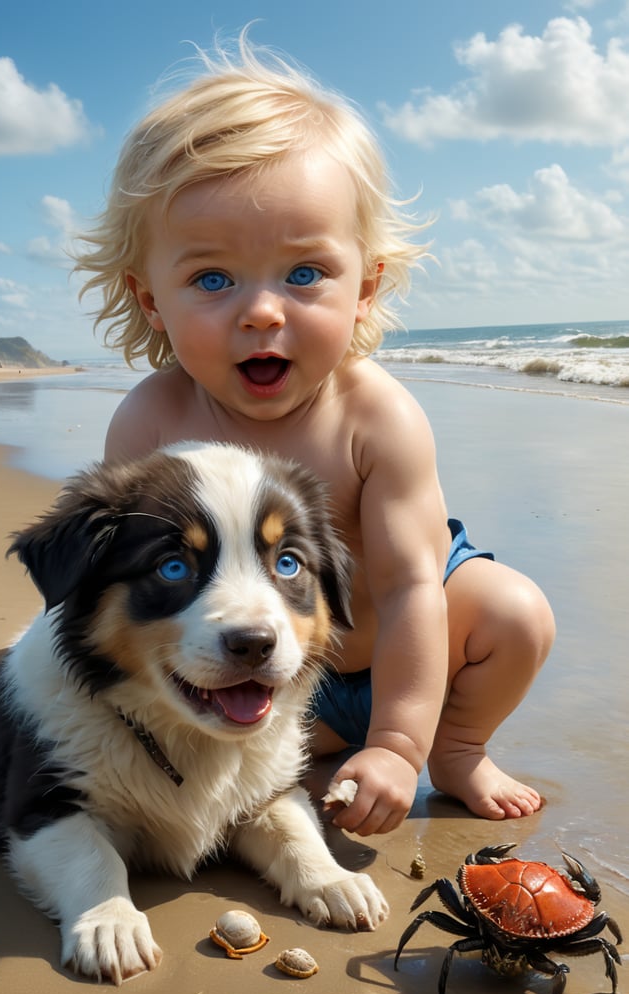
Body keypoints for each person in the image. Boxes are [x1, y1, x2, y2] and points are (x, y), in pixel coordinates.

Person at [75, 35, 555, 837]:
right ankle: (313, 743)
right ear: (151, 299)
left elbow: (410, 590)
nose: (262, 311)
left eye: (302, 274)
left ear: (363, 286)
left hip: (413, 653)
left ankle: (456, 746)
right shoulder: (152, 421)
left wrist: (402, 744)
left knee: (513, 613)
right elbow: (114, 587)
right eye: (212, 279)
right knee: (242, 743)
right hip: (266, 671)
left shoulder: (377, 416)